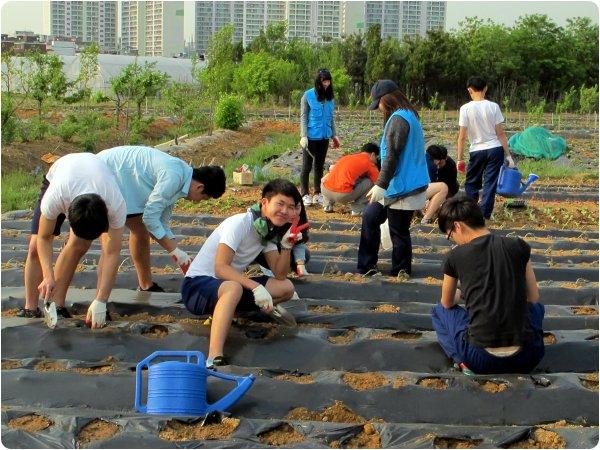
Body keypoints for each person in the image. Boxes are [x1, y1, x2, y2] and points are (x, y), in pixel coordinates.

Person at [181, 179, 300, 368]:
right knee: (234, 288)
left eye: (291, 207)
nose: (285, 211)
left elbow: (279, 275)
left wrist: (286, 247)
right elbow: (220, 268)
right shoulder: (239, 223)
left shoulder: (267, 232)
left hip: (225, 287)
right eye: (280, 203)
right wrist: (256, 287)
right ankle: (214, 357)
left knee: (286, 288)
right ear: (264, 203)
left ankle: (225, 313)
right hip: (198, 286)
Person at [431, 195, 545, 374]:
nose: (453, 240)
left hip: (480, 359)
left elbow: (447, 303)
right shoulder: (518, 246)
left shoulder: (455, 256)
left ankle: (461, 362)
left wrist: (461, 294)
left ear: (457, 226)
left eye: (450, 236)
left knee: (438, 311)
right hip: (527, 357)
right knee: (537, 309)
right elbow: (533, 297)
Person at [19, 153, 126, 329]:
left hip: (97, 176)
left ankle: (62, 306)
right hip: (61, 173)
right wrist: (48, 275)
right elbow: (44, 238)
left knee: (80, 244)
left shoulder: (116, 205)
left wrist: (102, 299)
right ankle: (31, 308)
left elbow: (112, 252)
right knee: (34, 247)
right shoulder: (55, 197)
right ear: (69, 216)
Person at [97, 146, 226, 291]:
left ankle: (146, 285)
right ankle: (99, 302)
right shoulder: (174, 177)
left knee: (140, 230)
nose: (198, 202)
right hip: (105, 173)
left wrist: (178, 252)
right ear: (200, 188)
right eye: (203, 198)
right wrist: (175, 252)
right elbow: (150, 218)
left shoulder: (182, 178)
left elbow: (161, 222)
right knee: (108, 244)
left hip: (125, 182)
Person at [357, 80, 430, 276]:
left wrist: (381, 184)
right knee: (371, 216)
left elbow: (392, 155)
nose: (379, 109)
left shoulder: (399, 119)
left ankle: (401, 270)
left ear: (386, 99)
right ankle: (366, 266)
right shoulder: (409, 115)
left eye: (378, 104)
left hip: (403, 187)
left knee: (399, 230)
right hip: (399, 185)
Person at [457, 76, 515, 220]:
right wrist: (508, 155)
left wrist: (459, 159)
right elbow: (500, 133)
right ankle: (484, 214)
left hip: (476, 150)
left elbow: (462, 136)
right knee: (490, 183)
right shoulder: (493, 106)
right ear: (485, 88)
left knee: (471, 182)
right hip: (495, 149)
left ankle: (471, 213)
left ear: (469, 90)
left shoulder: (465, 108)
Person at [299, 68, 341, 207]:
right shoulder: (308, 95)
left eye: (328, 81)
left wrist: (334, 135)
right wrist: (303, 135)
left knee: (319, 166)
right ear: (318, 81)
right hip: (311, 137)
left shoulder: (330, 98)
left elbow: (331, 118)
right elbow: (304, 116)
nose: (326, 84)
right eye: (324, 81)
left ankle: (317, 193)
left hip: (324, 137)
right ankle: (304, 194)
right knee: (306, 166)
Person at [321, 142, 380, 216]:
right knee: (370, 182)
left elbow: (332, 169)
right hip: (341, 196)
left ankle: (327, 205)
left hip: (325, 190)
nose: (376, 160)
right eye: (376, 158)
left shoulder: (347, 157)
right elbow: (379, 182)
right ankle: (358, 209)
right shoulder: (369, 163)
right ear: (373, 154)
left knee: (329, 176)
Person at [421, 144, 459, 224]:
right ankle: (426, 216)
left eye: (440, 163)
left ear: (445, 158)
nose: (438, 166)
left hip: (446, 190)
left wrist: (440, 201)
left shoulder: (450, 165)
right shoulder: (429, 164)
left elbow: (451, 187)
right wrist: (427, 202)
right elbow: (428, 184)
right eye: (437, 163)